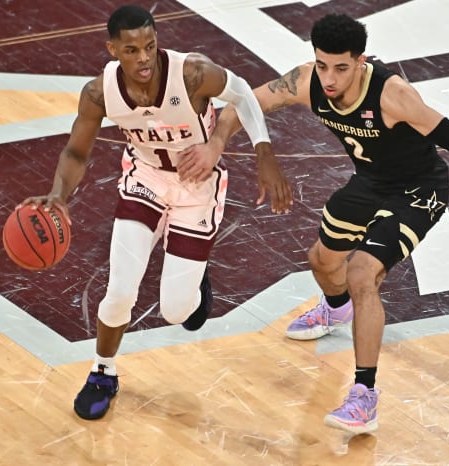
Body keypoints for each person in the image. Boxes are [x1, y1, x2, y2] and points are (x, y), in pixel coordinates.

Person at [178, 13, 449, 435]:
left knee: (362, 272)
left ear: (361, 60)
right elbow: (242, 100)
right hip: (371, 182)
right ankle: (337, 311)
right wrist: (214, 144)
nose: (330, 78)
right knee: (320, 261)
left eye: (341, 67)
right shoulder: (306, 81)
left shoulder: (394, 95)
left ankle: (365, 395)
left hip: (418, 190)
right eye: (322, 65)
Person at [21, 5, 293, 420]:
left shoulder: (193, 73)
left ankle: (195, 281)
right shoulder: (99, 92)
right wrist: (58, 194)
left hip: (197, 185)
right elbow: (77, 150)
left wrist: (262, 152)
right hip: (145, 178)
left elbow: (242, 94)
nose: (144, 58)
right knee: (120, 291)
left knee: (176, 312)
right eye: (131, 50)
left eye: (150, 46)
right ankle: (102, 371)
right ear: (113, 49)